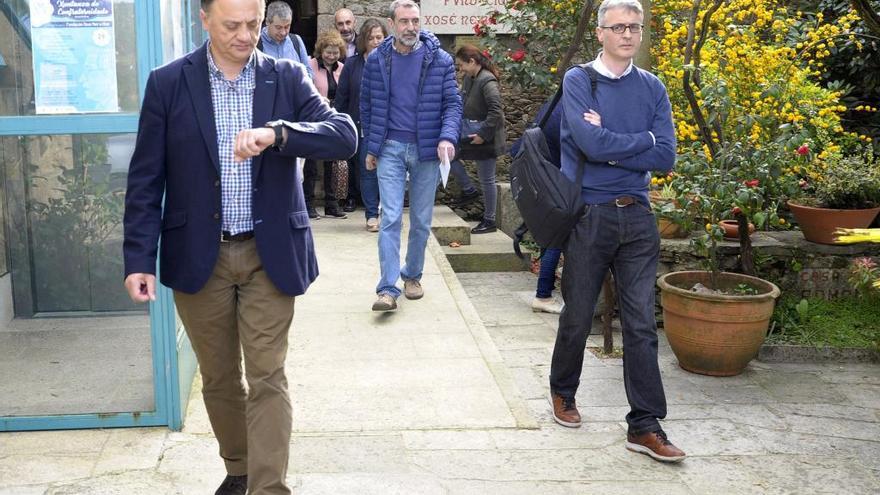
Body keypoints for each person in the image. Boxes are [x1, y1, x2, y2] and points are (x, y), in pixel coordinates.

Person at [121, 0, 357, 492]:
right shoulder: (168, 83)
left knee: (267, 375)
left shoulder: (287, 76)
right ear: (203, 20)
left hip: (268, 254)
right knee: (220, 378)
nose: (246, 35)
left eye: (253, 24)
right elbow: (146, 179)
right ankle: (241, 468)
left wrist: (279, 133)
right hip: (197, 254)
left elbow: (343, 135)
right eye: (232, 25)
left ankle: (268, 488)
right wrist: (138, 258)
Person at [548, 0, 686, 463]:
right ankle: (563, 391)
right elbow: (587, 143)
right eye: (619, 27)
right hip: (590, 214)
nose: (628, 34)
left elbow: (665, 155)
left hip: (638, 216)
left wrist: (616, 145)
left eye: (635, 27)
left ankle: (645, 425)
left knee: (642, 325)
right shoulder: (579, 81)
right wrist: (639, 142)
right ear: (601, 34)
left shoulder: (652, 87)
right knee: (579, 312)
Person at [360, 0, 462, 311]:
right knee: (389, 217)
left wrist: (447, 137)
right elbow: (367, 105)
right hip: (390, 147)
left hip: (427, 149)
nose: (411, 27)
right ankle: (387, 288)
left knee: (420, 220)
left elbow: (452, 105)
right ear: (391, 25)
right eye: (404, 21)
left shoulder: (439, 60)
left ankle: (413, 275)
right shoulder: (377, 60)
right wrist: (371, 147)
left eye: (415, 20)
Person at [335, 18, 388, 232]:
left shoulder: (393, 62)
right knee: (368, 172)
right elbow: (342, 98)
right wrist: (340, 125)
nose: (375, 42)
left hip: (390, 127)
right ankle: (372, 215)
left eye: (379, 37)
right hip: (363, 126)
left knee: (390, 171)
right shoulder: (352, 64)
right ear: (363, 40)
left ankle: (389, 213)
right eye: (371, 38)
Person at [448, 44, 506, 235]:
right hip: (469, 133)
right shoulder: (470, 78)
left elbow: (496, 111)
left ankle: (489, 220)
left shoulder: (487, 81)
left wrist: (483, 134)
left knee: (487, 179)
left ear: (472, 62)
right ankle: (468, 189)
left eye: (461, 65)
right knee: (449, 155)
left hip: (485, 138)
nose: (460, 69)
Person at [303, 30, 348, 219]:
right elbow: (305, 90)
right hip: (314, 118)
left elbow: (345, 92)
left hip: (334, 119)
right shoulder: (309, 65)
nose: (331, 56)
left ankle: (332, 204)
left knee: (332, 163)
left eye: (335, 52)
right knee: (311, 165)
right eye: (328, 52)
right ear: (321, 51)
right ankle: (308, 204)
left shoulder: (342, 68)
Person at [257, 0, 313, 79]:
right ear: (267, 22)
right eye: (278, 27)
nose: (283, 32)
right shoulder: (256, 43)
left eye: (287, 27)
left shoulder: (296, 41)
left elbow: (309, 72)